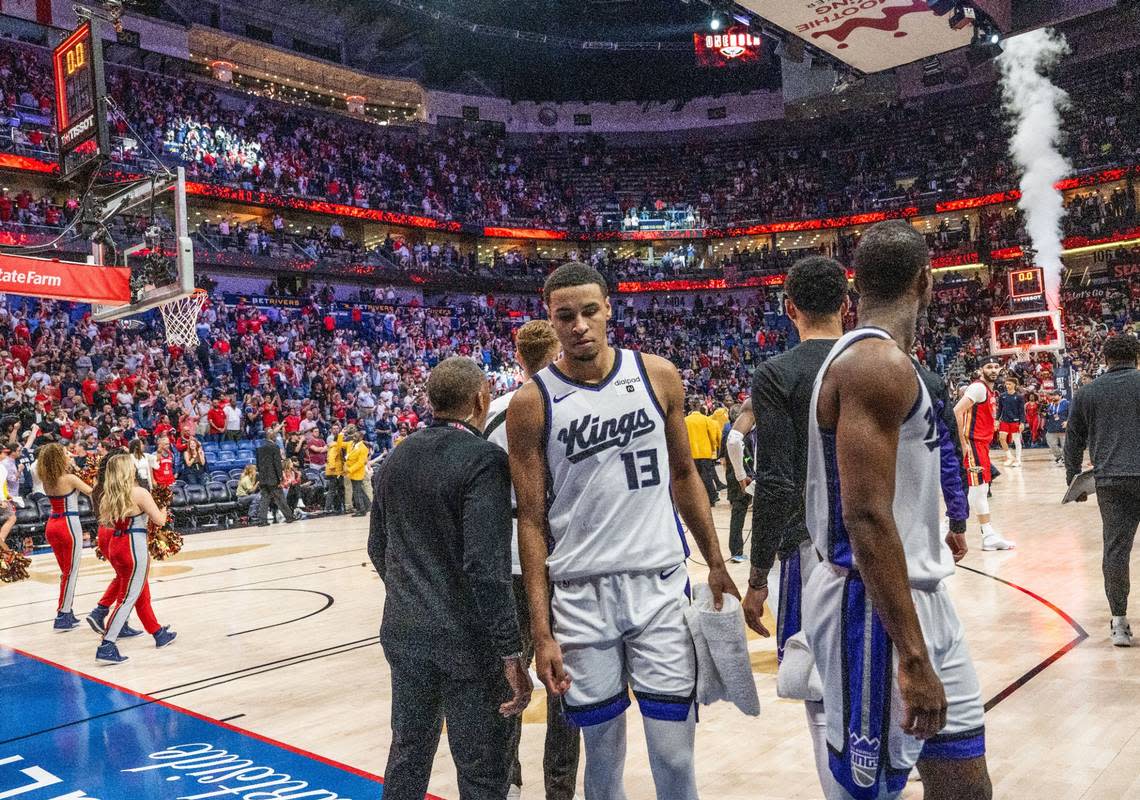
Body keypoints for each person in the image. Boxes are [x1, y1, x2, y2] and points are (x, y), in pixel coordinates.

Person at [508, 263, 740, 800]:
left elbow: (685, 476)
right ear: (551, 319)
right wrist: (541, 632)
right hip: (581, 597)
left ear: (609, 308)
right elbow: (532, 521)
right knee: (603, 762)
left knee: (675, 756)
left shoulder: (657, 374)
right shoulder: (531, 403)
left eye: (590, 311)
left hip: (657, 588)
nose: (580, 325)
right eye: (565, 316)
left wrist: (718, 562)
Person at [804, 221, 991, 800]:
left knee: (965, 784)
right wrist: (911, 655)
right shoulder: (874, 366)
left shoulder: (892, 365)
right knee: (871, 790)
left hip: (920, 598)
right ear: (926, 282)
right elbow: (864, 517)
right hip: (875, 607)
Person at [368, 356, 531, 800]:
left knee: (407, 755)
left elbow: (376, 548)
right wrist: (511, 650)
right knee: (481, 769)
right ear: (482, 400)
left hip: (404, 633)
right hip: (467, 640)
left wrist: (412, 595)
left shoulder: (397, 455)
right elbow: (485, 566)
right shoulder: (484, 460)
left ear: (431, 401)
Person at [735, 255, 849, 795]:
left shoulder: (777, 374)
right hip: (879, 545)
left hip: (811, 550)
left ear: (789, 309)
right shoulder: (884, 361)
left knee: (818, 684)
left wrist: (757, 578)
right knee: (876, 668)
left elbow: (777, 480)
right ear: (846, 305)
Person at [485, 320, 582, 800]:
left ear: (517, 355)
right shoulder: (572, 403)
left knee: (510, 679)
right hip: (562, 562)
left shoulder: (496, 413)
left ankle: (508, 780)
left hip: (509, 562)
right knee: (564, 682)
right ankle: (559, 788)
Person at [1063, 334, 1140, 647]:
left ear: (1105, 359)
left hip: (1110, 482)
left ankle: (1119, 623)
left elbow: (1073, 442)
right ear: (1136, 357)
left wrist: (1074, 482)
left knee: (1116, 551)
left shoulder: (1087, 393)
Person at [95, 454, 177, 663]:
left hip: (117, 545)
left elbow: (111, 524)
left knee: (135, 592)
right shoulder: (139, 493)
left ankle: (158, 633)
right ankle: (107, 645)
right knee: (127, 599)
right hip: (133, 547)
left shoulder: (108, 496)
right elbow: (159, 520)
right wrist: (164, 507)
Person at [953, 359, 1015, 551]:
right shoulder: (978, 388)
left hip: (982, 444)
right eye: (989, 367)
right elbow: (957, 411)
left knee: (980, 489)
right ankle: (952, 528)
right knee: (978, 490)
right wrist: (963, 444)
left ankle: (986, 534)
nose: (994, 370)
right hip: (973, 443)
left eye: (996, 366)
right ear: (981, 370)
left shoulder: (989, 391)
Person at [86, 448, 142, 638]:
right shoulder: (119, 487)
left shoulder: (100, 486)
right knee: (130, 580)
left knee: (123, 578)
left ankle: (108, 615)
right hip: (117, 533)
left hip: (104, 533)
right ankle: (104, 614)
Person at [37, 443, 93, 631]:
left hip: (52, 524)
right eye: (65, 453)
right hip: (68, 524)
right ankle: (62, 615)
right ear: (59, 459)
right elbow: (93, 490)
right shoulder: (70, 479)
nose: (69, 454)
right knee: (71, 572)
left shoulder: (47, 479)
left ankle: (66, 611)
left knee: (65, 572)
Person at [722, 403, 751, 563]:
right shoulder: (740, 436)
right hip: (742, 478)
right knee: (739, 515)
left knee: (737, 515)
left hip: (732, 477)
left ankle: (737, 551)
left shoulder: (726, 432)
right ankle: (737, 551)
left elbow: (722, 459)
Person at [255, 425, 295, 525]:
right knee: (280, 497)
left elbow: (258, 464)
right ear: (272, 437)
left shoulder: (260, 448)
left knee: (265, 499)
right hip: (273, 478)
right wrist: (280, 477)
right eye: (275, 435)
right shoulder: (274, 447)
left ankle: (262, 520)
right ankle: (289, 517)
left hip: (263, 478)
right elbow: (277, 464)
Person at [685, 399, 719, 505]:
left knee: (693, 479)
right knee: (707, 477)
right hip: (705, 452)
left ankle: (695, 500)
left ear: (690, 406)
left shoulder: (685, 420)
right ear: (700, 406)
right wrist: (713, 448)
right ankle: (712, 498)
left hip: (691, 453)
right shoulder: (706, 419)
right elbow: (713, 436)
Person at [995, 377, 1025, 467]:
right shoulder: (1002, 396)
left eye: (1009, 384)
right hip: (1004, 421)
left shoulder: (1019, 397)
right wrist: (997, 420)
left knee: (1016, 441)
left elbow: (1022, 411)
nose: (1007, 386)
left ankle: (1018, 460)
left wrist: (1022, 423)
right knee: (1001, 439)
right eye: (1006, 384)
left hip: (1015, 421)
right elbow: (999, 409)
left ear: (1014, 385)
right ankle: (1009, 457)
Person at [345, 428, 370, 516]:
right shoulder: (352, 444)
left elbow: (360, 463)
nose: (353, 437)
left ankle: (361, 510)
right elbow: (340, 444)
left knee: (357, 492)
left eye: (356, 436)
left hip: (358, 472)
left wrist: (350, 469)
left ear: (361, 437)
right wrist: (341, 434)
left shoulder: (363, 448)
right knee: (359, 490)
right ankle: (368, 505)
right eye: (353, 436)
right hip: (352, 472)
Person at [1044, 389, 1070, 467]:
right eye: (1052, 395)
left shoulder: (1067, 403)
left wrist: (1067, 421)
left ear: (1060, 395)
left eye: (1055, 395)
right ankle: (1059, 457)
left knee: (1065, 445)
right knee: (1051, 444)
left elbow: (1072, 414)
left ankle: (1065, 459)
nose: (1053, 397)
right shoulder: (1049, 405)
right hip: (1052, 428)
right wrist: (1044, 414)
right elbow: (1048, 416)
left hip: (1063, 429)